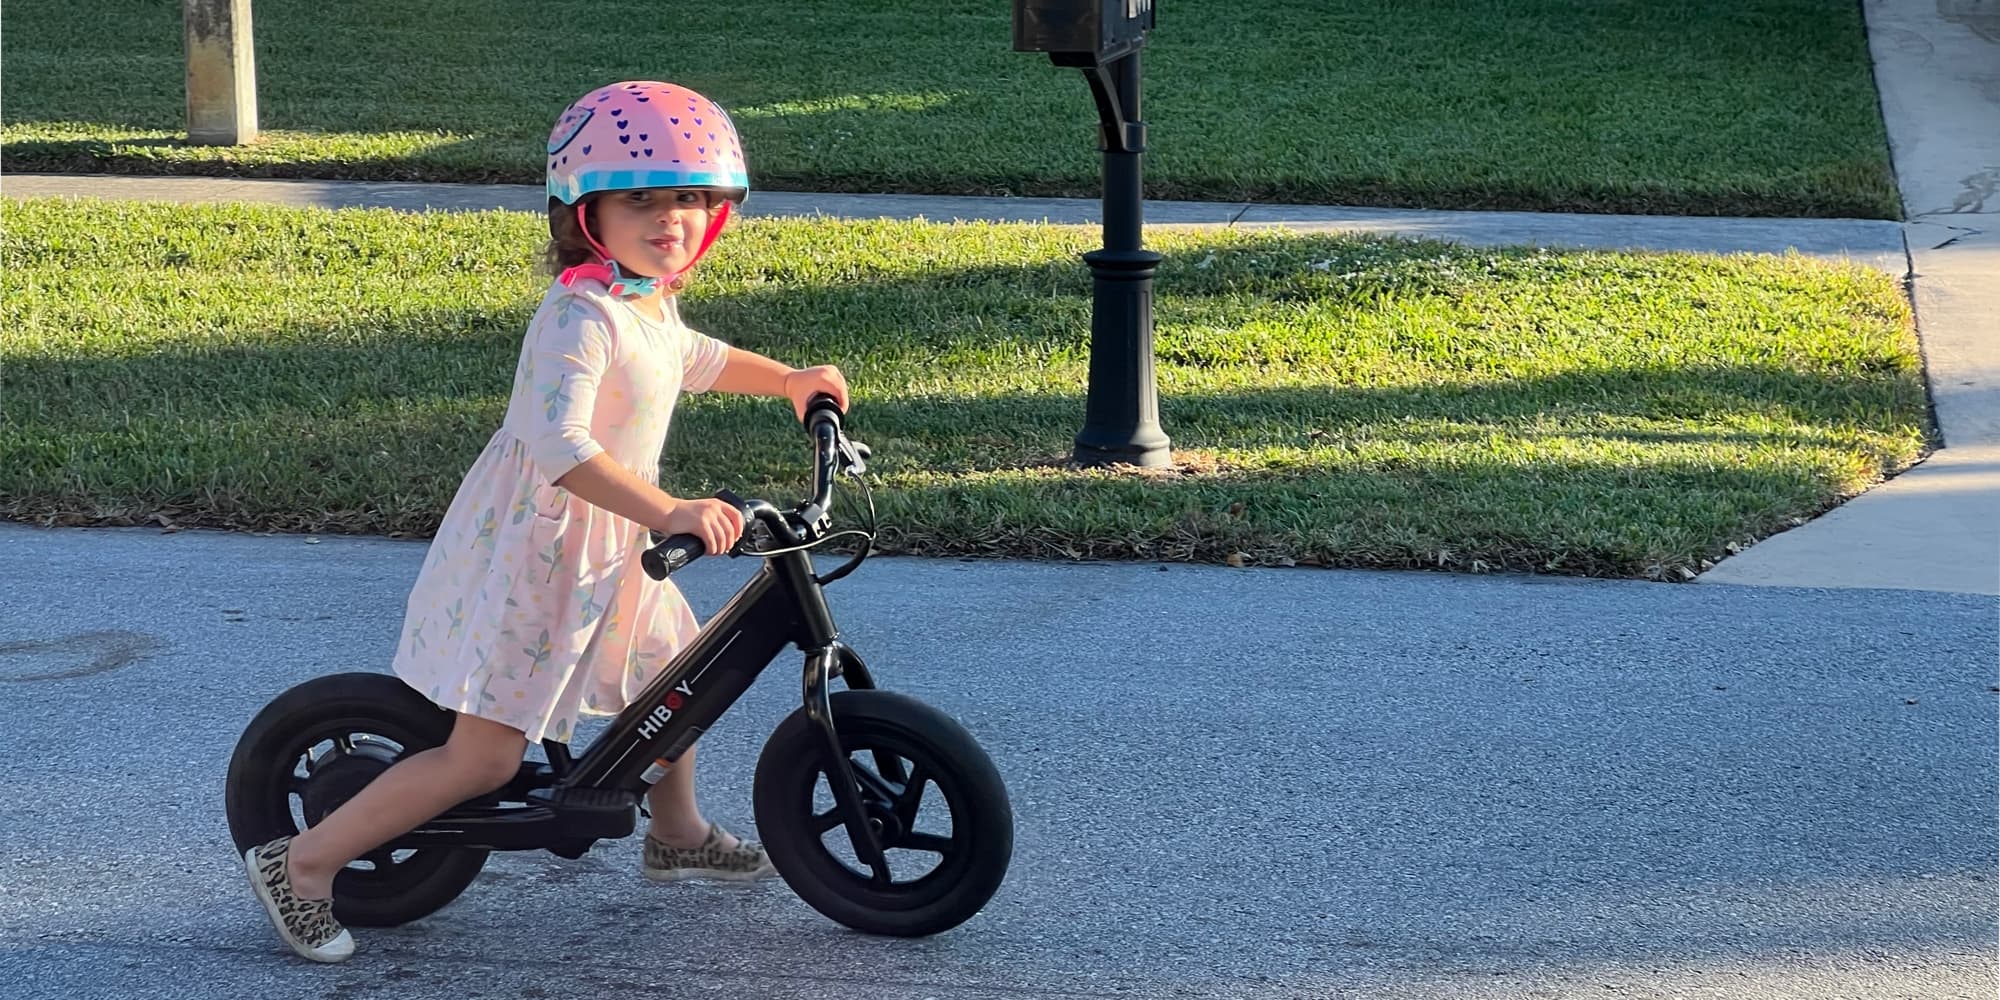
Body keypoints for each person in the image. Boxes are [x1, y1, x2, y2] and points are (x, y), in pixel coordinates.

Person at [242, 80, 849, 964]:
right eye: (641, 199)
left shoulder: (644, 298)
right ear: (584, 211)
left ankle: (674, 832)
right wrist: (671, 509)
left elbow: (695, 358)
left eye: (689, 199)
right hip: (544, 548)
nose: (670, 218)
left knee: (677, 683)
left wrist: (790, 379)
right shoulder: (577, 314)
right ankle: (302, 863)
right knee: (485, 756)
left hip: (612, 541)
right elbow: (560, 449)